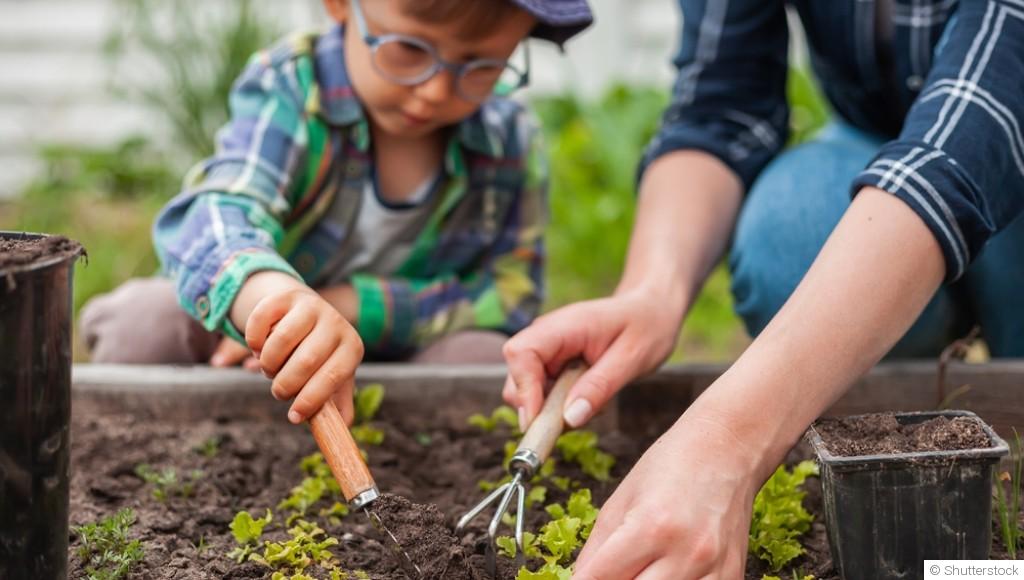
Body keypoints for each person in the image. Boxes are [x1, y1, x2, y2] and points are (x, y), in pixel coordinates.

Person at [503, 0, 1024, 576]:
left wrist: (728, 440)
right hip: (877, 136)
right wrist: (652, 290)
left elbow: (972, 135)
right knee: (788, 241)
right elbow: (722, 104)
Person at [80, 0, 592, 424]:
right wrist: (273, 304)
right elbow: (216, 210)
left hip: (402, 350)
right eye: (410, 49)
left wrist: (350, 306)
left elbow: (511, 293)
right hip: (247, 333)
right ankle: (199, 436)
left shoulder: (510, 137)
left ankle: (392, 449)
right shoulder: (293, 87)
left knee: (485, 362)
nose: (436, 90)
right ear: (342, 5)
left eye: (482, 67)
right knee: (141, 324)